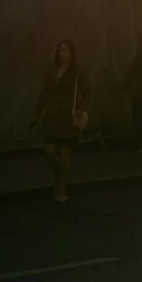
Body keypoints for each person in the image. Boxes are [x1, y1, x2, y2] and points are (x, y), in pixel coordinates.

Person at [32, 37, 85, 202]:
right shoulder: (52, 71)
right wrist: (36, 113)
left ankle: (61, 188)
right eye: (60, 50)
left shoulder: (77, 72)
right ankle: (59, 177)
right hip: (52, 116)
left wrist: (81, 108)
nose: (62, 53)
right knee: (49, 151)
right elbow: (44, 93)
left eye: (65, 50)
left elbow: (88, 93)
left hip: (68, 117)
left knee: (64, 153)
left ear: (71, 53)